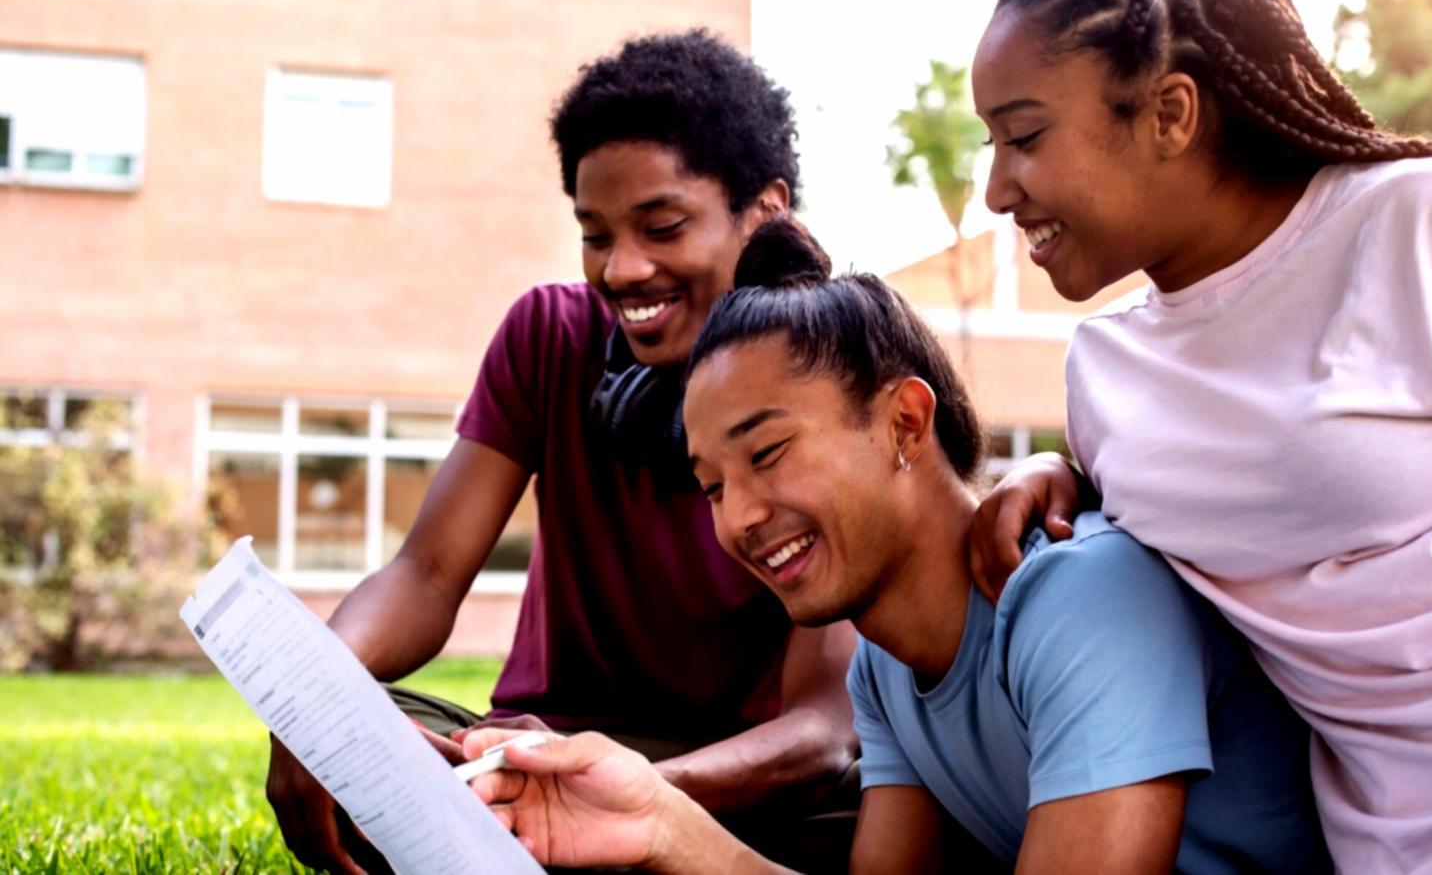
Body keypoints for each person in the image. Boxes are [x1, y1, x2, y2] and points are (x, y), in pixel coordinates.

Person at [463, 219, 1330, 873]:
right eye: (713, 485)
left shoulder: (1080, 595)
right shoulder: (883, 667)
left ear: (904, 422)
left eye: (766, 455)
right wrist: (656, 822)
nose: (739, 518)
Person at [264, 31, 859, 875]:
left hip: (738, 779)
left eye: (662, 226)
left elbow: (822, 730)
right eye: (594, 234)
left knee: (877, 808)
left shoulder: (832, 374)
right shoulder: (546, 336)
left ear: (762, 212)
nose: (621, 269)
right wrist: (321, 692)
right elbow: (427, 575)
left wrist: (629, 795)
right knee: (378, 733)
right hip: (544, 748)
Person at [960, 0, 1432, 872]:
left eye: (1024, 137)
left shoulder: (1422, 226)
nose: (996, 191)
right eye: (991, 144)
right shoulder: (1105, 375)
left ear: (1171, 113)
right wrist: (1055, 471)